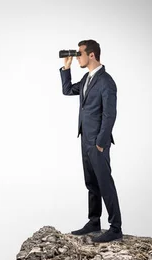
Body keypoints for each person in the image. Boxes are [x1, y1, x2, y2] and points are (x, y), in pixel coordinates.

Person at [60, 39, 123, 242]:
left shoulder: (106, 81)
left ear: (92, 55)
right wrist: (66, 68)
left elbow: (110, 115)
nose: (78, 57)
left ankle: (115, 227)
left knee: (105, 183)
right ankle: (94, 221)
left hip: (97, 142)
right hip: (85, 138)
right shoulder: (87, 79)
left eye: (80, 54)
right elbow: (67, 90)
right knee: (91, 183)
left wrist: (101, 142)